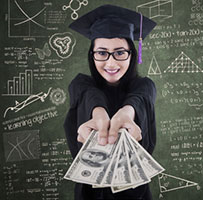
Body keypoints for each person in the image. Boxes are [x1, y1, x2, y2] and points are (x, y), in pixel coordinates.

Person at [63, 4, 157, 200]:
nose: (111, 63)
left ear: (132, 54)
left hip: (135, 195)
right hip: (89, 193)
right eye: (102, 53)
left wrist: (127, 113)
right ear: (92, 55)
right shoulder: (82, 85)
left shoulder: (143, 86)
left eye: (120, 52)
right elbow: (88, 94)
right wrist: (98, 113)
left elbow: (140, 98)